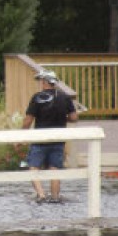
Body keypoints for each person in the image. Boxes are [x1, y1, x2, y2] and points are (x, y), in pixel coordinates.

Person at [22, 69, 78, 203]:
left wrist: (21, 135)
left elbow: (28, 120)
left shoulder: (37, 97)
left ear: (44, 82)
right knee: (55, 169)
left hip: (40, 139)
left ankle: (41, 195)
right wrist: (63, 119)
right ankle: (55, 197)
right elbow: (74, 117)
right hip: (58, 139)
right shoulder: (65, 97)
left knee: (33, 167)